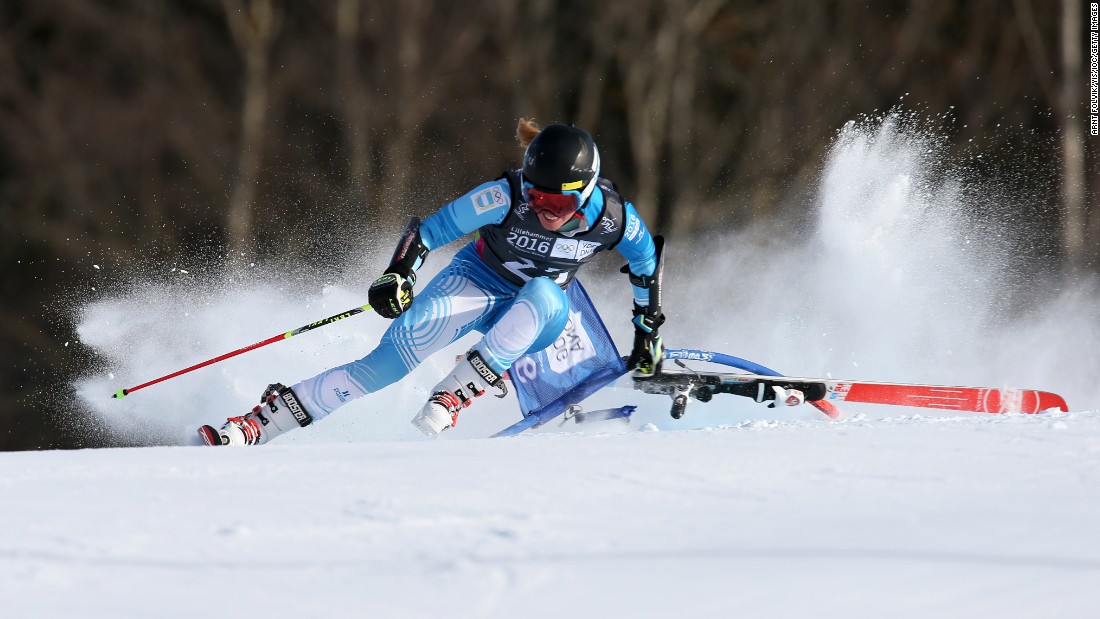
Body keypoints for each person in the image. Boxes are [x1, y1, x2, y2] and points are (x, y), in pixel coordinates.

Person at [200, 119, 667, 446]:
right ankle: (260, 425)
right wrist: (398, 273)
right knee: (382, 365)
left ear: (584, 193)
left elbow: (647, 263)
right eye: (535, 196)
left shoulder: (615, 220)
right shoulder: (505, 195)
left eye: (558, 205)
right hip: (477, 280)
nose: (543, 211)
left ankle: (454, 392)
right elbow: (429, 232)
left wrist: (648, 332)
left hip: (537, 315)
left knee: (545, 293)